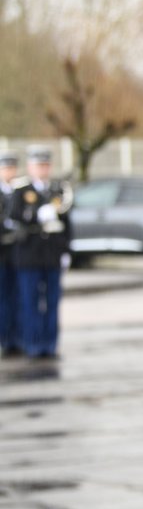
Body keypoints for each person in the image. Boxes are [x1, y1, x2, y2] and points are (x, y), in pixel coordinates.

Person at [10, 145, 72, 359]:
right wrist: (37, 214)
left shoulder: (57, 190)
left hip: (52, 255)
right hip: (29, 256)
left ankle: (50, 343)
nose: (42, 169)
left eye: (45, 165)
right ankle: (33, 343)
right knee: (30, 301)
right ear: (30, 167)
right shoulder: (21, 191)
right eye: (38, 165)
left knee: (53, 301)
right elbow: (15, 218)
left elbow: (66, 224)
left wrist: (66, 251)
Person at [0, 149, 21, 357]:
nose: (9, 172)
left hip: (18, 252)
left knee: (18, 297)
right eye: (5, 168)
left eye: (12, 168)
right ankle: (5, 339)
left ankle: (17, 337)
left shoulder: (20, 191)